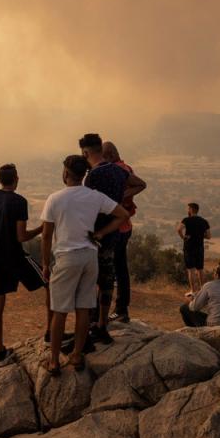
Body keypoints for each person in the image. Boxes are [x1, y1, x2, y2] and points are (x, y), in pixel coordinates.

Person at [40, 155, 128, 375]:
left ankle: (53, 361)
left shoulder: (55, 199)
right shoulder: (94, 196)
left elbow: (46, 235)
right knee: (83, 309)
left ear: (66, 173)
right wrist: (100, 233)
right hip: (90, 256)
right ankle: (77, 355)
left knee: (59, 311)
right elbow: (123, 215)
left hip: (67, 256)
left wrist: (44, 264)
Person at [80, 133, 147, 336]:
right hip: (119, 227)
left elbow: (88, 205)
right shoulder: (120, 170)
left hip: (102, 231)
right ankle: (108, 318)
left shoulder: (93, 175)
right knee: (112, 273)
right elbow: (140, 184)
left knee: (96, 276)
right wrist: (118, 198)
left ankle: (94, 321)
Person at [0, 163, 43, 366]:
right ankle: (51, 332)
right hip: (15, 257)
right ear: (16, 179)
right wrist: (42, 229)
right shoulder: (19, 201)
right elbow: (21, 236)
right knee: (50, 281)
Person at [102, 141, 142, 322]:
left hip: (116, 227)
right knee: (120, 268)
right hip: (125, 226)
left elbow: (140, 185)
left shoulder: (116, 170)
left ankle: (116, 310)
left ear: (109, 155)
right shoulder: (126, 168)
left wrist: (117, 197)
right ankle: (121, 309)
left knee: (111, 270)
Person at [177, 203, 212, 296]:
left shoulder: (186, 220)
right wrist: (200, 235)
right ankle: (203, 291)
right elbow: (209, 236)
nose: (187, 210)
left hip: (189, 247)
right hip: (200, 248)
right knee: (200, 269)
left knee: (191, 270)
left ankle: (193, 291)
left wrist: (183, 237)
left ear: (191, 209)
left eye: (188, 208)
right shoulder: (204, 221)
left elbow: (179, 229)